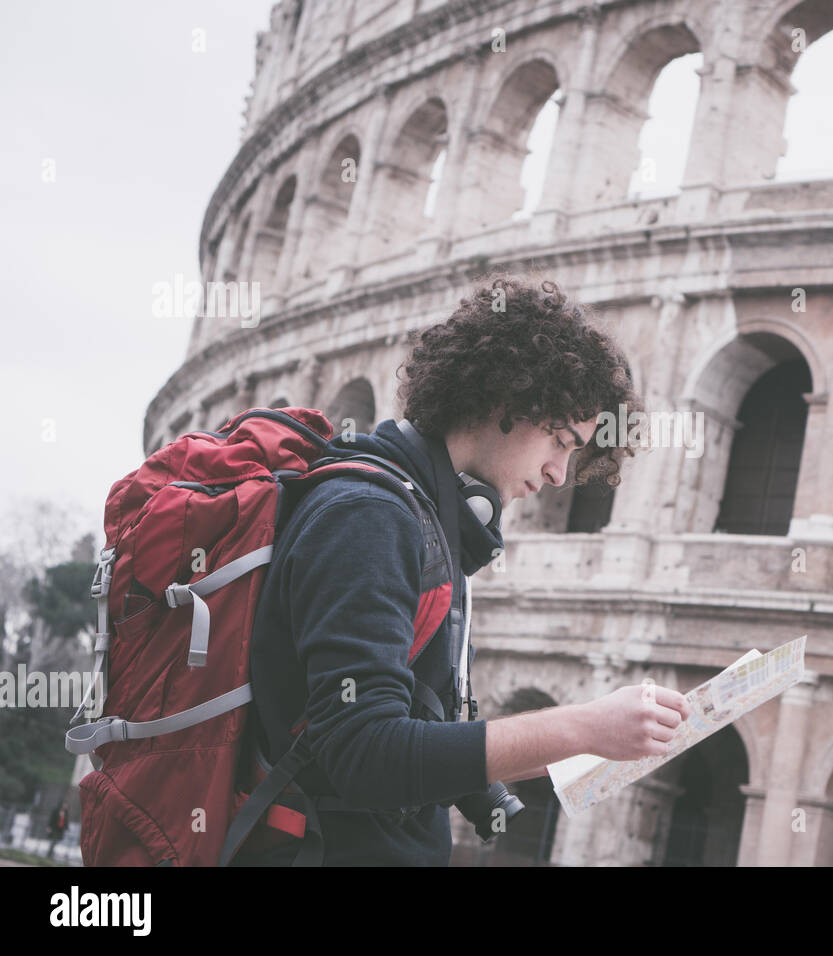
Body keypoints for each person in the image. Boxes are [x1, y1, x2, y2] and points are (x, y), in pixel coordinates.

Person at [231, 273, 689, 865]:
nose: (558, 473)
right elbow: (364, 754)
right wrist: (583, 726)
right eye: (560, 439)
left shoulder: (426, 519)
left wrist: (521, 775)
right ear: (507, 396)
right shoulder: (369, 517)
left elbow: (412, 724)